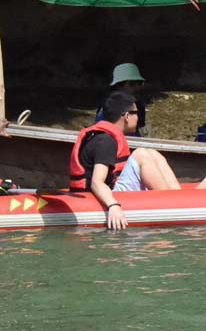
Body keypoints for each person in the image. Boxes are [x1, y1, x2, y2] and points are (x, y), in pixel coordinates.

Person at [70, 91, 181, 230]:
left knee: (151, 152)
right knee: (141, 154)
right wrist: (113, 205)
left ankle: (178, 197)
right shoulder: (105, 141)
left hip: (112, 188)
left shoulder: (103, 136)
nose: (139, 116)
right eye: (136, 112)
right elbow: (96, 182)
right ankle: (173, 205)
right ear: (127, 116)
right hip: (103, 195)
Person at [95, 63, 147, 136]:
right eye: (132, 84)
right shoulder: (107, 108)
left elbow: (142, 132)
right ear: (119, 86)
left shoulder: (139, 106)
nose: (137, 87)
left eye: (139, 83)